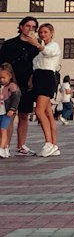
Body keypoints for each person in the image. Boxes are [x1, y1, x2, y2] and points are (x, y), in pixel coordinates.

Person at [0, 16, 42, 155]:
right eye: (28, 26)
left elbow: (38, 65)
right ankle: (4, 145)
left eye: (33, 27)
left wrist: (32, 78)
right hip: (11, 84)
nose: (30, 29)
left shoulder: (36, 46)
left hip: (27, 84)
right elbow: (3, 64)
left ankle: (21, 145)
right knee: (9, 114)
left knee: (24, 114)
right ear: (21, 27)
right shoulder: (9, 44)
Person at [28, 23, 61, 156]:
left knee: (39, 110)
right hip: (38, 77)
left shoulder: (53, 45)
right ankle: (53, 143)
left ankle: (48, 143)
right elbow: (35, 64)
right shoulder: (40, 50)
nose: (42, 34)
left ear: (51, 33)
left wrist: (36, 43)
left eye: (45, 32)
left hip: (47, 77)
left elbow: (48, 53)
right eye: (41, 32)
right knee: (47, 112)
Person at [0, 62, 22, 158]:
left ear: (10, 76)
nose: (2, 80)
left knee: (3, 129)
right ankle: (5, 148)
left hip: (6, 111)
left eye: (4, 77)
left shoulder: (13, 87)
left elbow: (16, 98)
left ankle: (2, 148)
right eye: (0, 77)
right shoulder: (1, 86)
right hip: (1, 111)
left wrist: (13, 109)